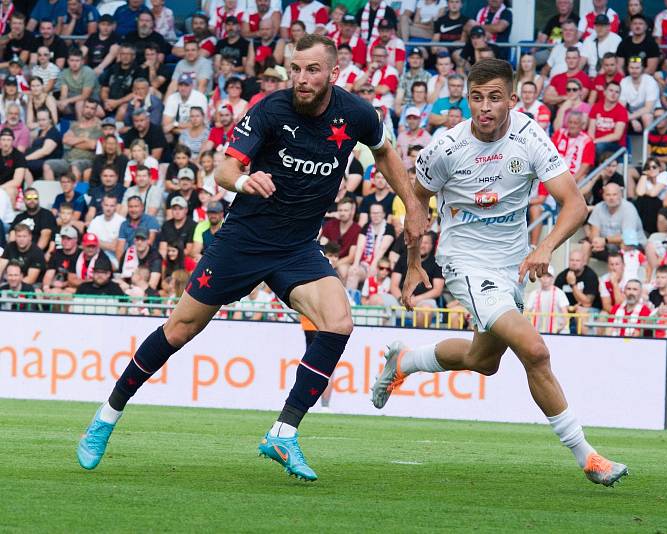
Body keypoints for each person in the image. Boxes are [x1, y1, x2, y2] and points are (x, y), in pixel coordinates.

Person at [76, 35, 426, 481]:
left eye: (312, 70)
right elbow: (223, 169)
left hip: (297, 247)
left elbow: (385, 153)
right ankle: (106, 417)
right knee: (179, 329)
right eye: (295, 68)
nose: (301, 78)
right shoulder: (269, 110)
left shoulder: (357, 114)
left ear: (333, 74)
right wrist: (244, 181)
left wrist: (412, 202)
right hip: (243, 240)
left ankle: (282, 433)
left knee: (339, 321)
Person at [371, 59, 628, 487]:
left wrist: (544, 246)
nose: (485, 107)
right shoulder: (446, 148)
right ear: (467, 99)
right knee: (535, 350)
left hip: (512, 263)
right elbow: (416, 204)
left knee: (483, 361)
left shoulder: (528, 135)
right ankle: (588, 456)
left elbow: (576, 204)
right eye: (476, 98)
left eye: (495, 98)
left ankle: (404, 360)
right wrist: (414, 263)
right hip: (465, 262)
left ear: (512, 98)